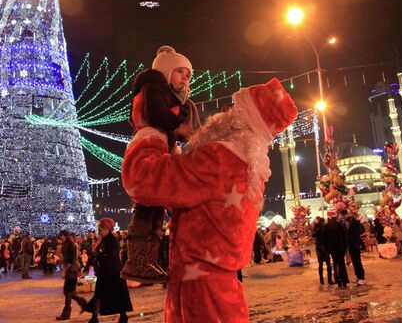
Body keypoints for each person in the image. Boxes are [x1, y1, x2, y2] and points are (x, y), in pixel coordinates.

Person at [122, 78, 298, 321]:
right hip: (211, 285)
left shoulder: (221, 158)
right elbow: (187, 198)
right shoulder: (244, 166)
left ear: (242, 121)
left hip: (202, 291)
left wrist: (150, 132)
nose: (225, 111)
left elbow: (144, 179)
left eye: (235, 108)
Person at [122, 46, 201, 284]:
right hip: (149, 149)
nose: (184, 78)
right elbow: (156, 112)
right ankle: (137, 262)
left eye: (188, 75)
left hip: (160, 148)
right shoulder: (154, 87)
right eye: (179, 72)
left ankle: (146, 261)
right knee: (148, 204)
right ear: (166, 72)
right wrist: (179, 127)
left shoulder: (175, 98)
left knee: (155, 209)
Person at [86, 218, 133, 323]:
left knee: (116, 295)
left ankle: (123, 316)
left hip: (113, 273)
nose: (99, 231)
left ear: (107, 229)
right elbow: (95, 252)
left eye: (101, 229)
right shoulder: (104, 239)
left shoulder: (112, 240)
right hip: (106, 272)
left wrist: (98, 255)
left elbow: (110, 256)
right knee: (99, 294)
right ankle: (94, 318)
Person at [56, 230, 87, 320]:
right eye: (60, 235)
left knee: (68, 292)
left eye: (62, 235)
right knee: (68, 292)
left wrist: (65, 270)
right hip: (69, 269)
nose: (61, 237)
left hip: (72, 270)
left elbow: (72, 259)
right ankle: (82, 302)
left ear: (66, 236)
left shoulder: (72, 245)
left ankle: (66, 313)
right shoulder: (65, 244)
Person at [324, 212, 349, 288]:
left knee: (335, 264)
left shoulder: (326, 226)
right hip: (340, 247)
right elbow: (344, 236)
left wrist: (328, 249)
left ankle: (338, 281)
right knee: (342, 263)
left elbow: (325, 239)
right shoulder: (339, 225)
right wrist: (345, 247)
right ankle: (344, 280)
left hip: (332, 248)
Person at [312, 217, 333, 285]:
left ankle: (328, 280)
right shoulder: (318, 228)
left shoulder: (325, 228)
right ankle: (323, 280)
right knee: (323, 264)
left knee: (327, 264)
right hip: (320, 248)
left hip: (323, 248)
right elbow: (313, 235)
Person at [346, 214, 366, 285]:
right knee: (355, 262)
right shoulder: (353, 227)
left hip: (355, 246)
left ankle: (362, 278)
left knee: (357, 262)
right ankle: (358, 277)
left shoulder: (354, 228)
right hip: (352, 246)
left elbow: (355, 237)